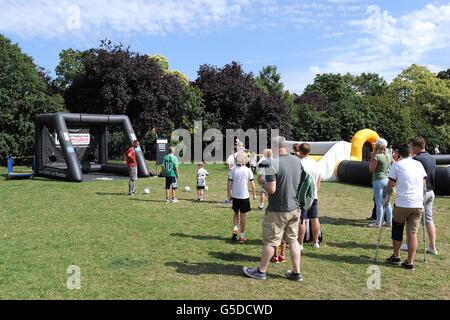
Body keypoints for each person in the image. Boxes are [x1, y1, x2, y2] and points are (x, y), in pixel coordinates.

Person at [243, 136, 304, 281]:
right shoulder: (297, 160)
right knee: (293, 240)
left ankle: (261, 271)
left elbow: (271, 189)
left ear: (275, 147)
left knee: (270, 241)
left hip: (278, 209)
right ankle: (296, 272)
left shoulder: (273, 163)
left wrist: (261, 182)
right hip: (295, 208)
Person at [385, 144, 427, 270]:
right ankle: (410, 262)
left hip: (403, 203)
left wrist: (386, 196)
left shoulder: (397, 165)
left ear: (399, 154)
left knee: (397, 229)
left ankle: (397, 256)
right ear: (410, 153)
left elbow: (391, 183)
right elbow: (424, 183)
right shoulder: (418, 165)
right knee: (412, 233)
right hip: (417, 203)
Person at [400, 137, 438, 255]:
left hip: (421, 193)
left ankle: (408, 244)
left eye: (411, 146)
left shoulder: (417, 159)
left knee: (411, 218)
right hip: (431, 192)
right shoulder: (432, 158)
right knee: (428, 220)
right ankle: (433, 246)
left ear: (416, 147)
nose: (410, 149)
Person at [296, 143, 322, 250]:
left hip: (302, 196)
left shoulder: (299, 163)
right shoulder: (316, 164)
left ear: (300, 151)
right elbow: (318, 182)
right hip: (313, 195)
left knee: (302, 219)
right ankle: (315, 242)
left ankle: (300, 243)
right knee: (314, 219)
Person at [228, 152, 257, 243]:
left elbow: (229, 184)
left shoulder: (232, 170)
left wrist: (229, 194)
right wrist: (254, 194)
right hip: (244, 196)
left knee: (236, 213)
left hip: (235, 196)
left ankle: (235, 227)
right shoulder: (248, 170)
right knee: (243, 216)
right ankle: (242, 236)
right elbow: (252, 183)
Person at [368, 139, 393, 228]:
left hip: (378, 180)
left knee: (379, 202)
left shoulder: (377, 156)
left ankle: (378, 223)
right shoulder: (389, 155)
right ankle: (389, 222)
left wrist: (372, 157)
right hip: (387, 179)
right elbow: (393, 164)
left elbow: (371, 169)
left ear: (376, 146)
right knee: (386, 202)